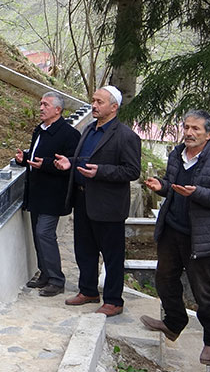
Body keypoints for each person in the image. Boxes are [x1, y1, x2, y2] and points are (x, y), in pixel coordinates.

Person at [140, 109, 210, 365]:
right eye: (186, 127)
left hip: (202, 237)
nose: (189, 133)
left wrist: (197, 193)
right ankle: (173, 323)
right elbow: (173, 186)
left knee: (205, 292)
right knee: (164, 279)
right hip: (172, 229)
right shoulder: (175, 154)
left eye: (196, 129)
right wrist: (162, 187)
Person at [54, 86, 141, 316]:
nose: (94, 105)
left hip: (108, 205)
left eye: (99, 102)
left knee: (112, 255)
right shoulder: (89, 129)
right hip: (83, 199)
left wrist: (101, 172)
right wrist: (70, 162)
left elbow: (132, 171)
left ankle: (113, 301)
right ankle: (88, 290)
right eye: (93, 100)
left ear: (114, 107)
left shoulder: (126, 136)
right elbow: (85, 159)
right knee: (84, 249)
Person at [15, 92, 80, 296]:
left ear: (57, 110)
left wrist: (49, 164)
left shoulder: (69, 134)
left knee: (44, 233)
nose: (41, 108)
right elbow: (36, 156)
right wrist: (24, 159)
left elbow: (71, 164)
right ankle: (44, 273)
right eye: (41, 104)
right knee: (37, 233)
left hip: (54, 194)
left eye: (45, 105)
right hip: (36, 192)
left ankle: (56, 279)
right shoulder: (40, 130)